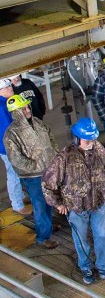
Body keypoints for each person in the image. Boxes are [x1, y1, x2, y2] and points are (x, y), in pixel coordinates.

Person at [42, 118, 105, 285]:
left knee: (103, 235)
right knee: (81, 239)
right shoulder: (64, 158)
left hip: (98, 204)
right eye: (87, 140)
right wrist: (58, 204)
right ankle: (86, 267)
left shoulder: (98, 148)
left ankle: (104, 268)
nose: (90, 143)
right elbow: (48, 184)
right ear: (77, 138)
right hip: (76, 208)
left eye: (93, 139)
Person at [3, 93, 58, 248]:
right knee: (39, 205)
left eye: (27, 106)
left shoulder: (38, 123)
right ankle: (43, 237)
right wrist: (35, 166)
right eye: (23, 108)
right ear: (15, 112)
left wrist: (54, 154)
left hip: (48, 170)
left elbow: (51, 138)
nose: (27, 109)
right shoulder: (11, 134)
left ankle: (48, 227)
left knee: (49, 201)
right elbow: (15, 158)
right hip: (33, 177)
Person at [0, 78, 32, 217]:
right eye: (7, 87)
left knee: (20, 172)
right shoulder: (2, 107)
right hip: (9, 148)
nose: (10, 87)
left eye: (9, 85)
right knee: (13, 174)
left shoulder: (6, 102)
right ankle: (17, 205)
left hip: (13, 145)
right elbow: (9, 129)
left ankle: (21, 197)